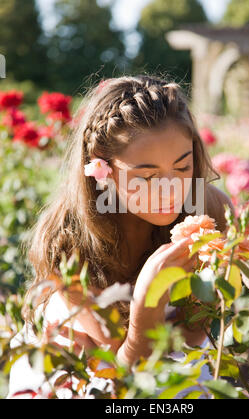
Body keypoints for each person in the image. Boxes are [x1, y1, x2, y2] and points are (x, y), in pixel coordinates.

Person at [7, 74, 235, 398]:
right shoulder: (67, 243)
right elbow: (119, 381)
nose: (171, 188)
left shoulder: (211, 211)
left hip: (173, 370)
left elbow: (194, 342)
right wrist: (146, 306)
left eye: (183, 168)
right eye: (148, 175)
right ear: (103, 166)